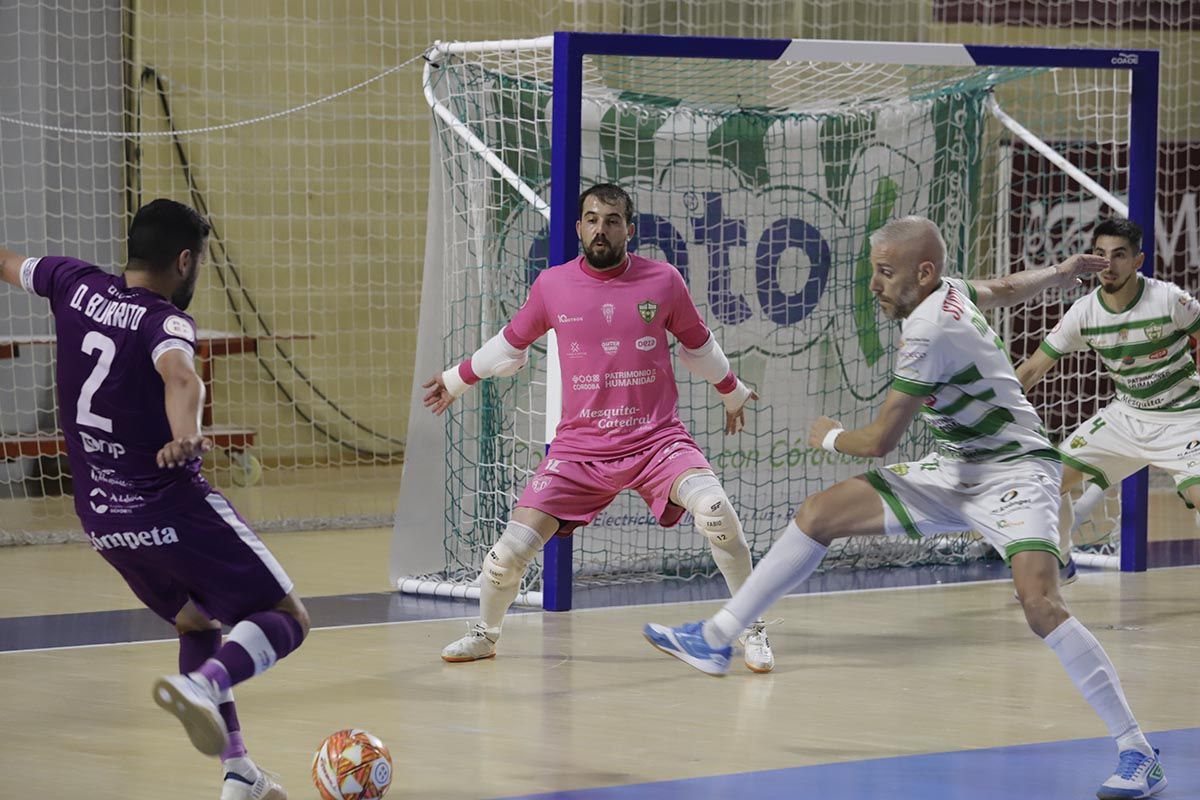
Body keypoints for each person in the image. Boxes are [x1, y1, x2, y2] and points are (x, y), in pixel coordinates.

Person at [644, 216, 1165, 800]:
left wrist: (829, 436)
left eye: (886, 273)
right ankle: (718, 637)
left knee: (1041, 604)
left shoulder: (927, 334)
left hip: (1016, 473)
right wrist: (1063, 271)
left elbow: (880, 442)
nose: (875, 285)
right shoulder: (951, 291)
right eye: (874, 270)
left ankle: (1136, 751)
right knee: (818, 514)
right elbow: (1007, 287)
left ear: (923, 272)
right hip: (956, 467)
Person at [0, 199, 308, 800]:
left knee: (196, 621)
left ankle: (238, 771)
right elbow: (181, 377)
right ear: (184, 260)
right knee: (287, 619)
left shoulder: (71, 281)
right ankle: (203, 686)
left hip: (102, 518)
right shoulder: (164, 321)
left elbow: (9, 263)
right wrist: (186, 433)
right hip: (171, 507)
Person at [424, 183, 772, 671]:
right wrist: (455, 380)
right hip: (580, 450)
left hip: (656, 442)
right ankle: (485, 633)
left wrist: (732, 390)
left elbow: (699, 344)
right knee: (507, 556)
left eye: (611, 220)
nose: (600, 229)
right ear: (577, 227)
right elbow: (510, 342)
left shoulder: (664, 281)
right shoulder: (552, 285)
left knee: (716, 511)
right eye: (591, 219)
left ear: (630, 229)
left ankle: (750, 628)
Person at [1016, 217, 1200, 566]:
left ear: (1137, 261)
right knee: (1046, 483)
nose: (1108, 265)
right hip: (1126, 418)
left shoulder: (1169, 300)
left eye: (1119, 255)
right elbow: (1032, 368)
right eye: (1100, 254)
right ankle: (1060, 565)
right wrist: (990, 411)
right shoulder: (1084, 312)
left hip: (1185, 418)